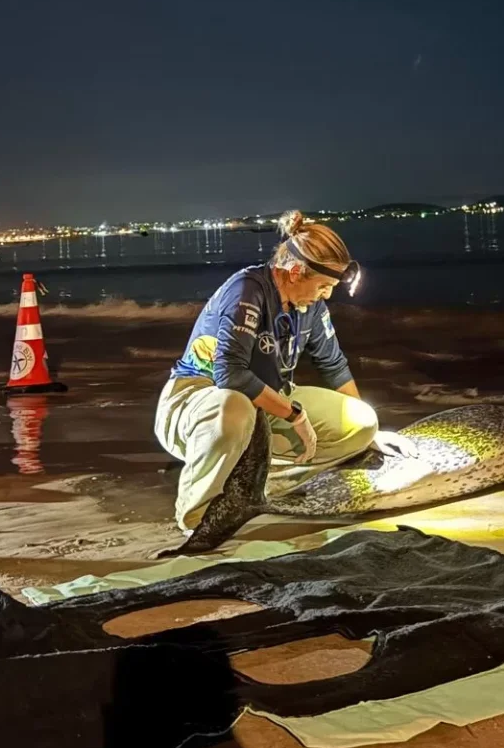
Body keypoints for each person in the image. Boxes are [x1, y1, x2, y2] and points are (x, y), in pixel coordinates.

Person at [155, 211, 389, 553]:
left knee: (362, 422)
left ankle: (260, 483)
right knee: (234, 403)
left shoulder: (310, 306)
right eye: (323, 287)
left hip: (267, 402)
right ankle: (198, 521)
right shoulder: (246, 290)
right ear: (295, 273)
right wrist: (295, 415)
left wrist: (372, 438)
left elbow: (334, 364)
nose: (326, 295)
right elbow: (230, 374)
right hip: (197, 401)